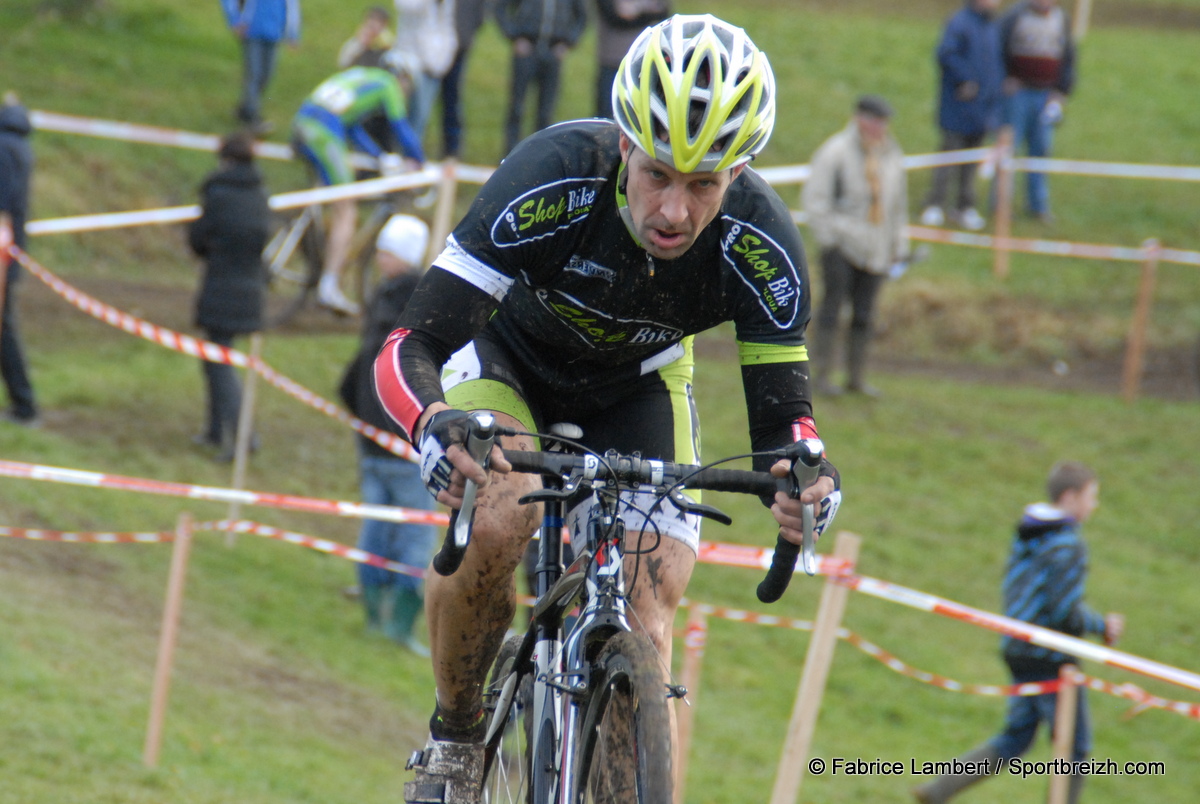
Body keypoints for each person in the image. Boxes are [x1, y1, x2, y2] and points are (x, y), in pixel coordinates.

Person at [372, 15, 842, 802]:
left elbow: (784, 423)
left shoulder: (762, 244)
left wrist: (805, 478)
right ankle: (454, 741)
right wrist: (431, 422)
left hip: (639, 382)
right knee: (500, 513)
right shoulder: (551, 175)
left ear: (741, 174)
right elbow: (408, 343)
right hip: (508, 359)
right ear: (625, 145)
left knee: (650, 600)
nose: (674, 212)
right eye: (659, 172)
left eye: (705, 185)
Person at [912, 461, 1124, 804]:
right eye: (1091, 497)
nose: (1094, 505)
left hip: (1016, 646)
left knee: (1017, 737)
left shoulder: (1029, 530)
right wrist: (1103, 626)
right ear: (1070, 497)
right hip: (1048, 655)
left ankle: (938, 790)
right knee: (1075, 748)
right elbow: (1063, 611)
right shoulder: (1067, 544)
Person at [339, 214, 437, 655]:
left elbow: (358, 370)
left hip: (370, 442)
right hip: (408, 443)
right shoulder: (426, 306)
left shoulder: (377, 302)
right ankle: (398, 628)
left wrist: (359, 415)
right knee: (415, 537)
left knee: (375, 529)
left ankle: (375, 620)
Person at [291, 61, 426, 315]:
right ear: (404, 80)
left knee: (336, 196)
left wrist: (379, 156)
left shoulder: (365, 76)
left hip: (305, 122)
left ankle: (319, 251)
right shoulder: (389, 84)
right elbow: (401, 127)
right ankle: (329, 285)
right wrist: (419, 160)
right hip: (322, 131)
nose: (405, 95)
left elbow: (351, 127)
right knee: (347, 209)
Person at [803, 95, 911, 398]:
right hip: (841, 244)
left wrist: (898, 245)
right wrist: (829, 241)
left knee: (864, 315)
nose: (880, 127)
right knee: (832, 309)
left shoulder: (891, 154)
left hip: (876, 249)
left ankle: (856, 378)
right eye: (875, 120)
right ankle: (821, 374)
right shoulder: (834, 152)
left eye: (883, 121)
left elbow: (897, 206)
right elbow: (816, 199)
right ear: (860, 119)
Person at [188, 131, 272, 461]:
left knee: (219, 363)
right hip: (251, 288)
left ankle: (241, 436)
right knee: (215, 359)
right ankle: (214, 430)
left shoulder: (217, 193)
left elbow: (198, 239)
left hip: (221, 285)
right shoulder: (261, 194)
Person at [919, 0, 1004, 232]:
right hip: (957, 106)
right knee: (948, 156)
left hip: (982, 109)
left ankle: (965, 207)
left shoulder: (993, 27)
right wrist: (965, 79)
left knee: (971, 161)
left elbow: (995, 65)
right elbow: (946, 54)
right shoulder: (959, 22)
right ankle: (935, 204)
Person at [997, 0, 1076, 224]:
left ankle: (1038, 206)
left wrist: (1062, 90)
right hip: (1018, 93)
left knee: (1041, 149)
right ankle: (1001, 205)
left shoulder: (1062, 19)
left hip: (1046, 94)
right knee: (1007, 148)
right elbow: (998, 49)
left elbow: (1068, 57)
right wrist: (1004, 79)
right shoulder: (1014, 17)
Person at [496, 0, 588, 156]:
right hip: (526, 50)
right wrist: (513, 35)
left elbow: (582, 17)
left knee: (546, 110)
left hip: (553, 52)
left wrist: (569, 42)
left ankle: (538, 157)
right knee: (517, 107)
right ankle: (509, 155)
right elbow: (500, 8)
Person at [0, 92, 39, 428]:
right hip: (10, 250)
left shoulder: (2, 147)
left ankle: (25, 404)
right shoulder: (20, 146)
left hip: (2, 251)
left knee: (4, 328)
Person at [221, 0, 301, 132]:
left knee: (266, 75)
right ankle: (253, 117)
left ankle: (245, 108)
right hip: (252, 32)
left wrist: (292, 34)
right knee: (254, 74)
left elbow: (292, 7)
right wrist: (235, 20)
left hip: (274, 34)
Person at [393, 0, 459, 142]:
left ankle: (411, 155)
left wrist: (443, 60)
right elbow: (407, 7)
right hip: (408, 61)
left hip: (434, 65)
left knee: (421, 116)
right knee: (398, 112)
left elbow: (447, 26)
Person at [593, 0, 672, 119]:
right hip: (612, 60)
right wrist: (647, 13)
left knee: (646, 112)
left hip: (645, 60)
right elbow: (615, 17)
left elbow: (663, 15)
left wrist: (634, 13)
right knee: (608, 112)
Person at [439, 0, 491, 159]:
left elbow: (481, 13)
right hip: (433, 45)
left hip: (460, 44)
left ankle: (452, 149)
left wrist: (466, 33)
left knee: (453, 95)